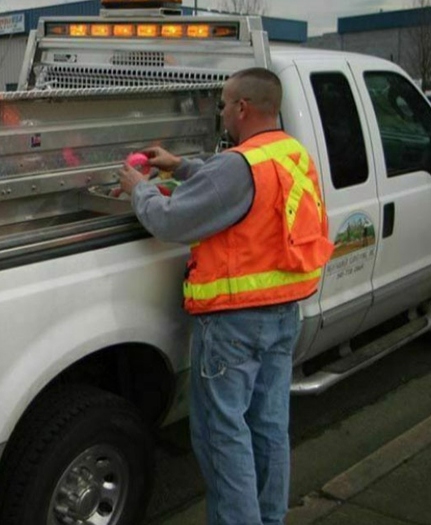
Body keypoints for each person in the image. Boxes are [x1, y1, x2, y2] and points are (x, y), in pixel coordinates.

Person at [118, 67, 334, 525]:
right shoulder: (289, 154)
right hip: (281, 317)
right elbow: (241, 190)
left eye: (223, 104)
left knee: (223, 436)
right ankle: (268, 518)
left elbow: (172, 220)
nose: (220, 112)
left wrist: (140, 191)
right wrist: (183, 166)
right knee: (269, 428)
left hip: (235, 326)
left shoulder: (239, 166)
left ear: (242, 107)